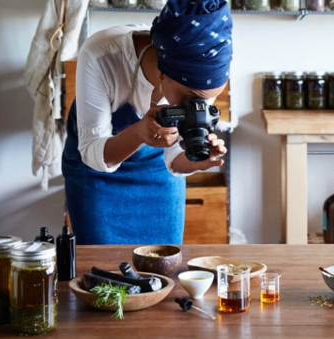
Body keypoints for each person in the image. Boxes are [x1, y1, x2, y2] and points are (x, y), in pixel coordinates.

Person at [62, 0, 233, 245]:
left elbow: (174, 158)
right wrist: (138, 134)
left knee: (163, 269)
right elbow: (93, 154)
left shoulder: (203, 71)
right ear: (162, 74)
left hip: (157, 173)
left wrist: (200, 161)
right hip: (96, 177)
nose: (197, 105)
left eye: (207, 100)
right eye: (191, 98)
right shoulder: (101, 56)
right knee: (101, 272)